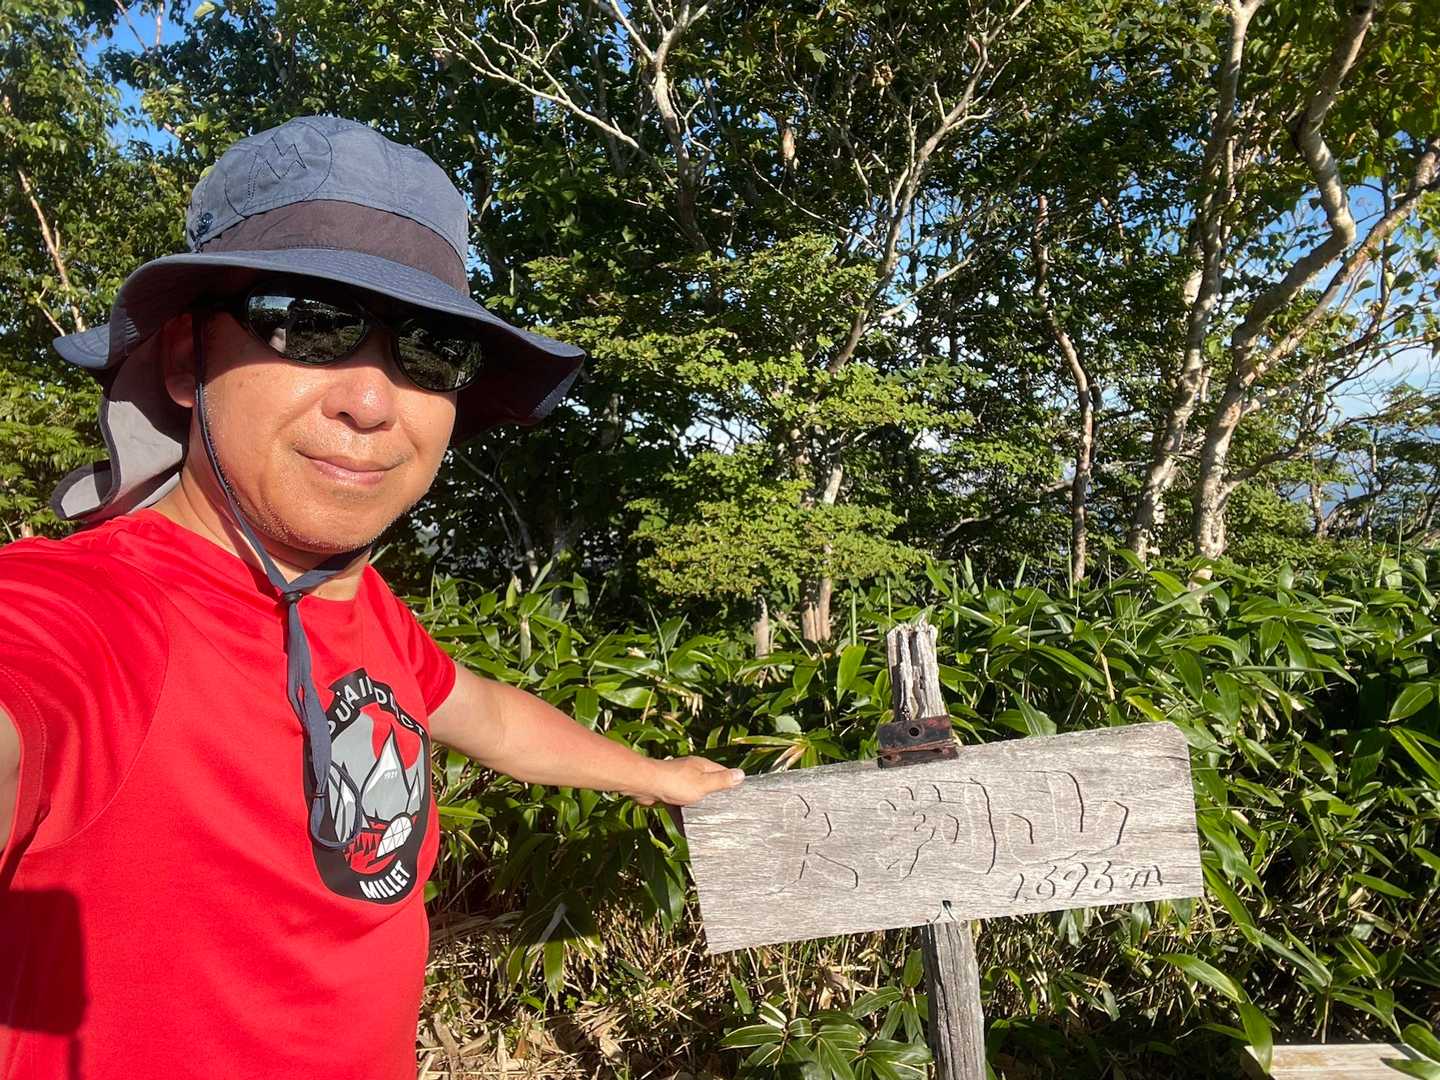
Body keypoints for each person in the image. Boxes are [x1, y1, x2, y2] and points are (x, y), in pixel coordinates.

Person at [0, 115, 744, 1079]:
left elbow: (481, 712)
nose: (371, 400)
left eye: (431, 350)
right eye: (307, 323)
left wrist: (653, 774)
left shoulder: (355, 601)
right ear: (186, 360)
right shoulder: (90, 614)